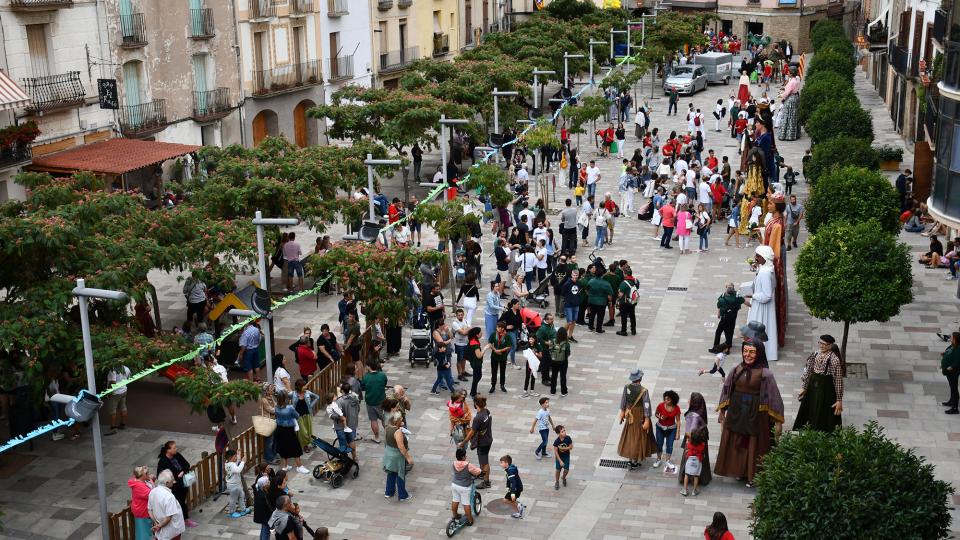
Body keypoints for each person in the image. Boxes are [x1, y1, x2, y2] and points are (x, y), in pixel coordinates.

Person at [714, 340, 785, 487]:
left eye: (752, 352)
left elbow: (774, 397)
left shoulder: (766, 374)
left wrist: (777, 419)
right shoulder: (736, 369)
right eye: (745, 351)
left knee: (753, 445)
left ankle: (753, 475)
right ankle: (738, 471)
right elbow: (727, 389)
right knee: (737, 442)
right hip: (737, 412)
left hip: (756, 416)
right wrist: (722, 411)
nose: (747, 355)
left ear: (759, 353)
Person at [793, 335, 844, 431]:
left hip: (826, 389)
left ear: (830, 345)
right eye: (820, 343)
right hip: (812, 386)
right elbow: (808, 371)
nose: (821, 346)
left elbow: (838, 381)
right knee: (810, 408)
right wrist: (804, 387)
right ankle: (808, 429)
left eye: (824, 344)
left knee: (822, 411)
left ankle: (820, 432)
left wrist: (839, 400)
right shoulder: (815, 354)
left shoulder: (834, 360)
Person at [617, 369, 657, 469]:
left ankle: (630, 459)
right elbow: (646, 405)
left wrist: (622, 413)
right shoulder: (644, 391)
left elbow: (623, 400)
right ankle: (635, 460)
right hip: (639, 415)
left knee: (630, 435)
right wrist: (647, 419)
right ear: (640, 378)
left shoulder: (626, 387)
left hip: (630, 414)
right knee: (638, 437)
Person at [744, 245, 779, 361]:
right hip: (761, 304)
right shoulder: (767, 268)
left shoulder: (765, 273)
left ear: (765, 257)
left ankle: (757, 352)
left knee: (758, 328)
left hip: (761, 306)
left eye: (758, 256)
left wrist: (752, 295)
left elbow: (767, 295)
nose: (755, 258)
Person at [157, 441, 195, 527]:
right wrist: (175, 477)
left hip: (183, 483)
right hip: (173, 486)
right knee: (179, 502)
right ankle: (185, 519)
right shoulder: (163, 461)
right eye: (174, 448)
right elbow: (160, 475)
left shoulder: (177, 455)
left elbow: (186, 464)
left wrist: (182, 472)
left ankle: (183, 518)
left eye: (175, 447)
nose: (176, 449)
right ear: (168, 450)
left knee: (182, 500)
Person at [677, 392, 711, 488]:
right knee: (701, 457)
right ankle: (703, 477)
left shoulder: (693, 415)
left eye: (690, 399)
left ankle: (687, 477)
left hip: (693, 439)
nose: (688, 400)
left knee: (690, 456)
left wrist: (687, 436)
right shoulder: (701, 413)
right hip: (702, 437)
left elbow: (690, 431)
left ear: (694, 402)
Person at [459, 394, 493, 488]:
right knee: (482, 460)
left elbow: (471, 433)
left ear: (476, 403)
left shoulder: (478, 418)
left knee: (484, 462)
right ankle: (482, 474)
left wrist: (463, 442)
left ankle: (486, 482)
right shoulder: (487, 411)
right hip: (488, 439)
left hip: (483, 442)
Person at [274, 393, 309, 473]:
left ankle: (285, 466)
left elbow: (276, 416)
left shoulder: (276, 408)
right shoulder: (290, 408)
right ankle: (299, 466)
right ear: (286, 398)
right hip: (288, 430)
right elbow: (297, 416)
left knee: (283, 447)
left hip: (279, 429)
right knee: (296, 447)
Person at [148, 469, 186, 540]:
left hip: (160, 529)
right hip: (171, 531)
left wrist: (155, 522)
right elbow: (169, 517)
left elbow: (150, 510)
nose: (174, 481)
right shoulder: (169, 497)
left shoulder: (152, 492)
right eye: (172, 479)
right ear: (167, 482)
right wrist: (159, 526)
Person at [383, 415, 414, 501]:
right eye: (401, 420)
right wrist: (408, 458)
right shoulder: (398, 432)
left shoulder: (387, 427)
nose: (402, 420)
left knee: (391, 472)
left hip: (389, 453)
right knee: (400, 474)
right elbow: (401, 447)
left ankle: (388, 492)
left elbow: (385, 441)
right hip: (397, 455)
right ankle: (403, 495)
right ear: (396, 422)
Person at [450, 447, 482, 526]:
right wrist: (481, 471)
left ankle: (455, 515)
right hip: (464, 487)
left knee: (455, 500)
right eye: (465, 456)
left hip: (454, 484)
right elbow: (477, 472)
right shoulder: (468, 465)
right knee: (466, 503)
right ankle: (470, 520)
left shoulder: (454, 463)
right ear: (463, 457)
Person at [711, 282, 744, 353]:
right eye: (729, 287)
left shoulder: (724, 296)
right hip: (733, 317)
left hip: (725, 318)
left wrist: (719, 313)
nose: (729, 288)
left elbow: (719, 305)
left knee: (719, 331)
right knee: (729, 332)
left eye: (730, 287)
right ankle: (728, 347)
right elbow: (743, 301)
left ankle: (716, 347)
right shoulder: (737, 295)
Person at [653, 390, 682, 471]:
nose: (666, 401)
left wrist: (678, 433)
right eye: (665, 399)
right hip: (660, 427)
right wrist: (660, 417)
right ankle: (658, 459)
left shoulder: (676, 408)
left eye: (668, 399)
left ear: (673, 400)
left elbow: (678, 421)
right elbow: (656, 414)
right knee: (659, 443)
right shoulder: (660, 405)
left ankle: (668, 461)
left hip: (671, 429)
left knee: (670, 445)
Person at [361, 360, 388, 443]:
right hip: (382, 400)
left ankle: (377, 437)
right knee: (384, 419)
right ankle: (388, 436)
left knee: (373, 420)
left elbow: (363, 388)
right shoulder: (382, 375)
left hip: (370, 401)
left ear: (369, 367)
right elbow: (385, 384)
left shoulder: (366, 377)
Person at [128, 466, 156, 540]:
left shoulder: (139, 480)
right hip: (142, 512)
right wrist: (152, 483)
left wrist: (148, 477)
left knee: (144, 531)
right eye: (146, 473)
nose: (148, 474)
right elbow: (152, 495)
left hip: (142, 510)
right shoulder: (139, 486)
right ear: (142, 475)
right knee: (144, 534)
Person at [291, 380, 319, 453]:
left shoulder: (308, 393)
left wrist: (311, 405)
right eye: (304, 386)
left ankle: (309, 442)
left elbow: (317, 397)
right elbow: (283, 395)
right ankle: (307, 444)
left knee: (308, 431)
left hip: (307, 414)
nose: (306, 387)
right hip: (298, 416)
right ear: (299, 387)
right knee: (303, 432)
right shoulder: (293, 394)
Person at [431, 319, 456, 395]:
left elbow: (452, 336)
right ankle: (443, 384)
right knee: (443, 365)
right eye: (442, 325)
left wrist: (448, 331)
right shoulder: (436, 332)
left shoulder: (445, 330)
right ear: (439, 325)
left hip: (447, 350)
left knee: (448, 365)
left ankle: (449, 381)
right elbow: (441, 343)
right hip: (440, 351)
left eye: (444, 325)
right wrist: (449, 340)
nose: (444, 326)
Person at [680, 428, 707, 497]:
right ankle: (694, 491)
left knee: (686, 475)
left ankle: (685, 490)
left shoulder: (689, 444)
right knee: (696, 476)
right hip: (698, 461)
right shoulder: (702, 445)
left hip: (689, 460)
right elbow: (703, 450)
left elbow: (687, 447)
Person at [105, 365, 131, 435]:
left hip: (115, 392)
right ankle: (123, 424)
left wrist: (109, 391)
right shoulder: (126, 368)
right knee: (123, 407)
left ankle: (113, 427)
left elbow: (113, 381)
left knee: (112, 410)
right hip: (124, 390)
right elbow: (128, 377)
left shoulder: (113, 370)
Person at [488, 322, 513, 394]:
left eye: (499, 327)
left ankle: (502, 385)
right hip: (494, 356)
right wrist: (495, 350)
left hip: (502, 357)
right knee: (494, 372)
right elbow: (490, 343)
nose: (497, 328)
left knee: (503, 372)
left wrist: (500, 350)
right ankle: (493, 386)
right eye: (497, 327)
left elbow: (509, 346)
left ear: (503, 328)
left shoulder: (507, 336)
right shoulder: (494, 334)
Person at [224, 449, 249, 517]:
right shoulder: (232, 465)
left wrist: (238, 455)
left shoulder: (228, 463)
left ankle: (243, 509)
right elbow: (238, 470)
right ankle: (232, 512)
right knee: (233, 499)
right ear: (230, 458)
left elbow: (236, 462)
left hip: (236, 484)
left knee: (241, 496)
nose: (236, 458)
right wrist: (243, 462)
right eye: (235, 456)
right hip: (233, 486)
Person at [549, 327, 571, 396]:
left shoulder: (553, 341)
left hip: (554, 361)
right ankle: (564, 392)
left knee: (554, 376)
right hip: (563, 361)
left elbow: (550, 350)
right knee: (563, 376)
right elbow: (568, 353)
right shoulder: (566, 343)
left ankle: (553, 391)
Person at [941, 332, 960, 414]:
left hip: (953, 372)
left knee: (954, 388)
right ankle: (951, 401)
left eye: (951, 337)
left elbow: (958, 360)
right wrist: (944, 354)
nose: (950, 337)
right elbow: (948, 352)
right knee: (952, 387)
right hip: (949, 371)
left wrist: (951, 367)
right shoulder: (952, 345)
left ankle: (955, 408)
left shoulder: (959, 348)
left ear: (955, 339)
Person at [553, 425, 573, 490]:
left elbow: (571, 447)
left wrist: (564, 448)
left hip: (566, 456)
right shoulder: (556, 441)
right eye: (562, 431)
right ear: (558, 433)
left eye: (564, 430)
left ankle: (563, 477)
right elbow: (555, 452)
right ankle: (557, 481)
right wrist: (560, 461)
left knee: (566, 470)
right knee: (558, 470)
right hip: (559, 457)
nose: (564, 432)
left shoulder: (568, 438)